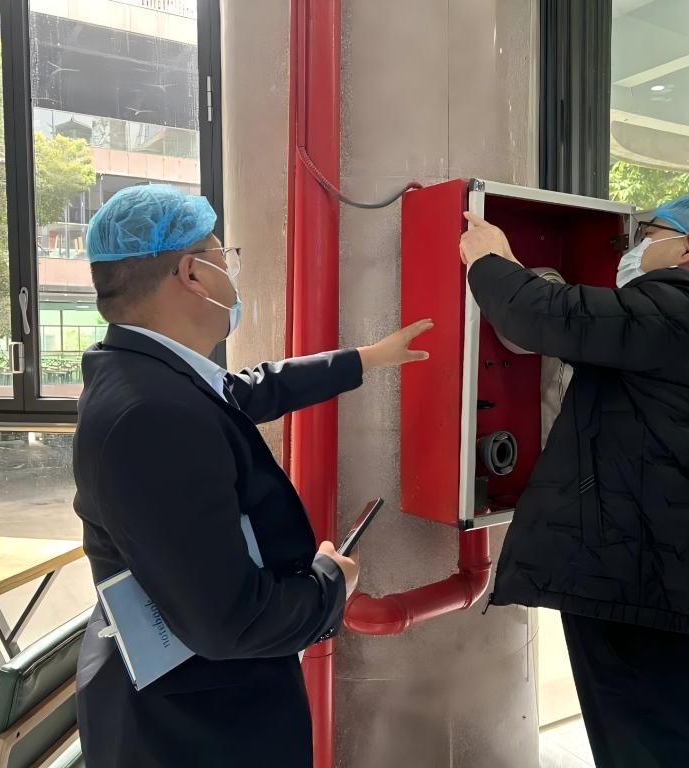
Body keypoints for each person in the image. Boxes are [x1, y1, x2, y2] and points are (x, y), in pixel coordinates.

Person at [72, 184, 431, 767]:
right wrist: (330, 584)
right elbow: (231, 622)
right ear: (192, 274)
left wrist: (368, 358)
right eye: (225, 257)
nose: (231, 271)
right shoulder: (152, 415)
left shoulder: (144, 372)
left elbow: (246, 391)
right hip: (194, 731)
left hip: (189, 707)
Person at [460, 196, 689, 768]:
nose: (632, 250)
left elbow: (547, 315)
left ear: (688, 247)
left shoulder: (686, 306)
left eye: (646, 235)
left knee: (645, 750)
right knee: (672, 745)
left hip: (645, 590)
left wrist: (489, 259)